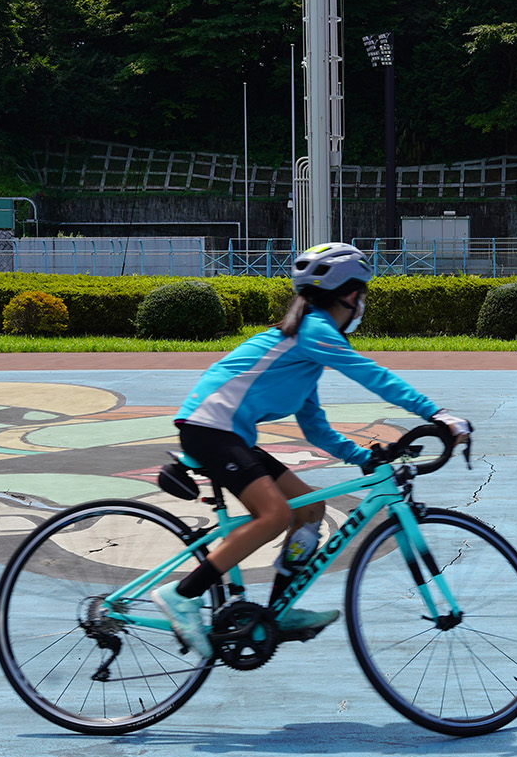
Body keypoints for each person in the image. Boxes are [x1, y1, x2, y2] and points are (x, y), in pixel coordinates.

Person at [154, 242, 471, 656]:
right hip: (210, 430)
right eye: (363, 295)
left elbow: (316, 429)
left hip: (229, 434)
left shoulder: (303, 354)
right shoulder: (315, 332)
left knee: (309, 509)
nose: (362, 305)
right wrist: (438, 413)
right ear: (351, 295)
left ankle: (279, 611)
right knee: (275, 514)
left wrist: (364, 456)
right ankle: (183, 595)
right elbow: (370, 374)